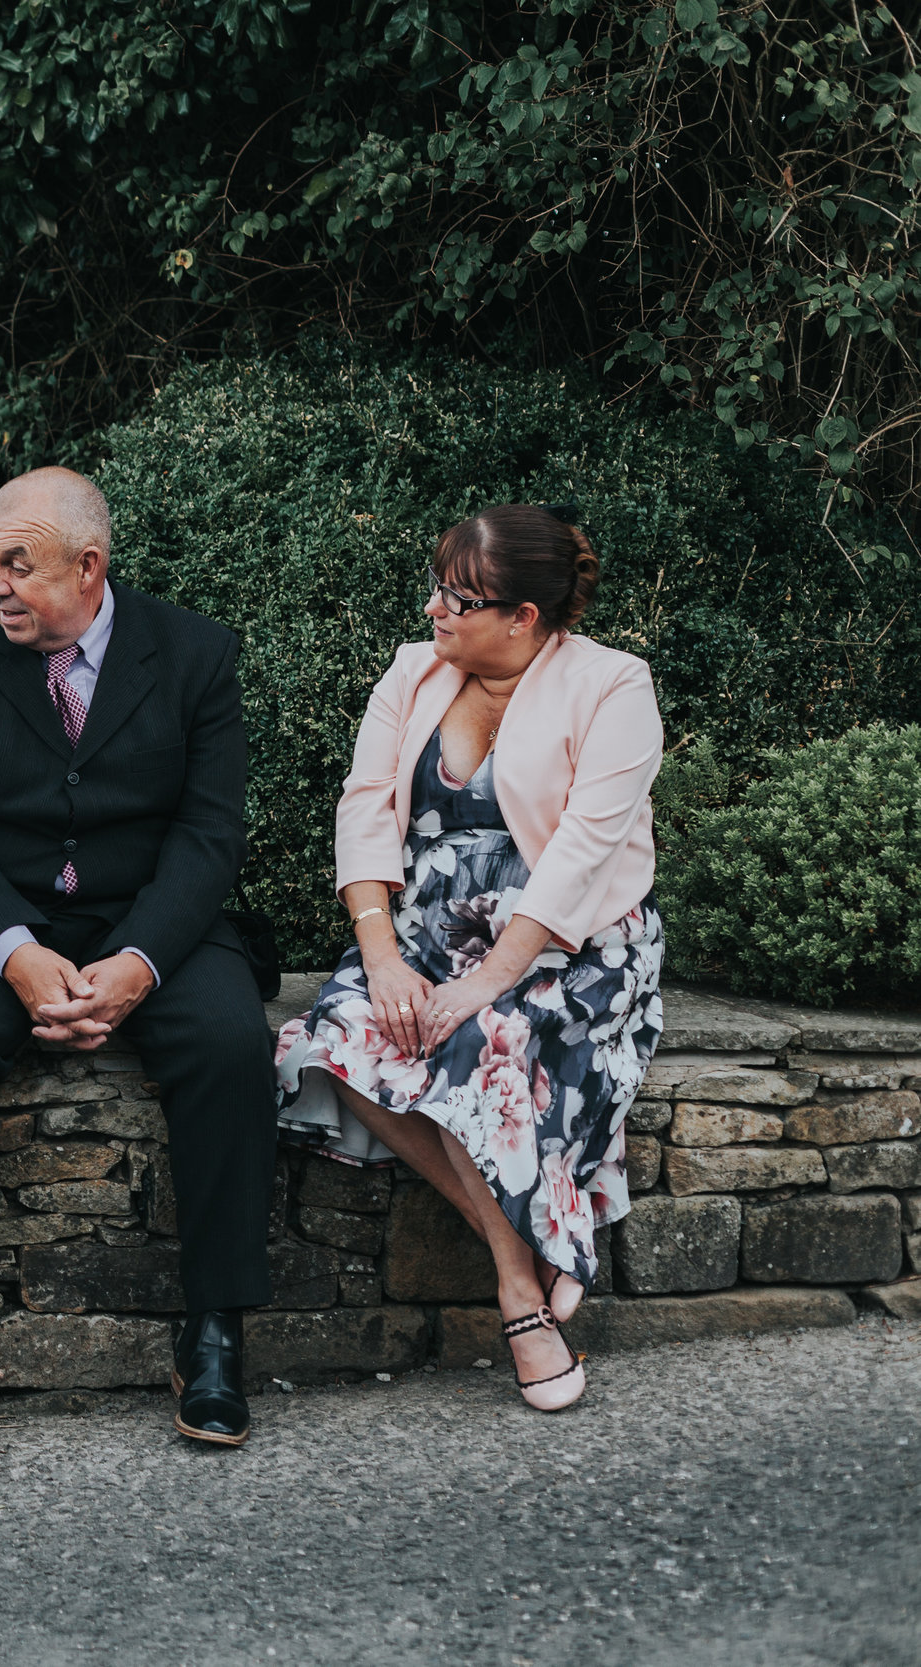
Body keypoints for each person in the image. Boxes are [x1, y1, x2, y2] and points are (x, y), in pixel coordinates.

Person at [0, 467, 277, 1445]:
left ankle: (214, 1332)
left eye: (18, 562)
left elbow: (210, 836)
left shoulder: (195, 654)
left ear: (88, 567)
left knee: (225, 1043)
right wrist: (13, 951)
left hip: (149, 913)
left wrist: (138, 961)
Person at [276, 504, 664, 1412]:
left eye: (458, 596)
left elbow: (582, 852)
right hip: (426, 935)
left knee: (470, 1043)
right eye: (439, 587)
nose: (433, 610)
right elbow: (364, 806)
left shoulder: (614, 685)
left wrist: (486, 982)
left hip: (570, 942)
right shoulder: (414, 672)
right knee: (331, 1036)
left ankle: (518, 1303)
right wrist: (381, 957)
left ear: (523, 617)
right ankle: (533, 1251)